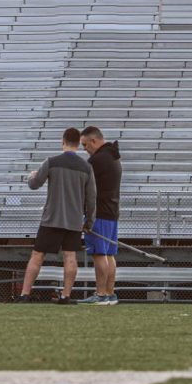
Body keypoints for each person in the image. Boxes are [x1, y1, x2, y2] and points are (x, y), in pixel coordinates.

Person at [15, 127, 97, 304]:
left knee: (37, 255)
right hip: (74, 221)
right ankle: (66, 296)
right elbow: (92, 199)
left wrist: (31, 177)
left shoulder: (51, 162)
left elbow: (35, 184)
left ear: (63, 141)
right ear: (78, 144)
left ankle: (24, 294)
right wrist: (89, 222)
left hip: (51, 218)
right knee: (70, 257)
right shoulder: (87, 167)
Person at [80, 126, 122, 306]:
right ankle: (110, 294)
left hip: (99, 213)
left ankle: (101, 294)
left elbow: (84, 187)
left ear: (94, 141)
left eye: (85, 145)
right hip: (112, 212)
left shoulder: (97, 160)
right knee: (110, 254)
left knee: (99, 254)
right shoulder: (113, 156)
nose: (84, 149)